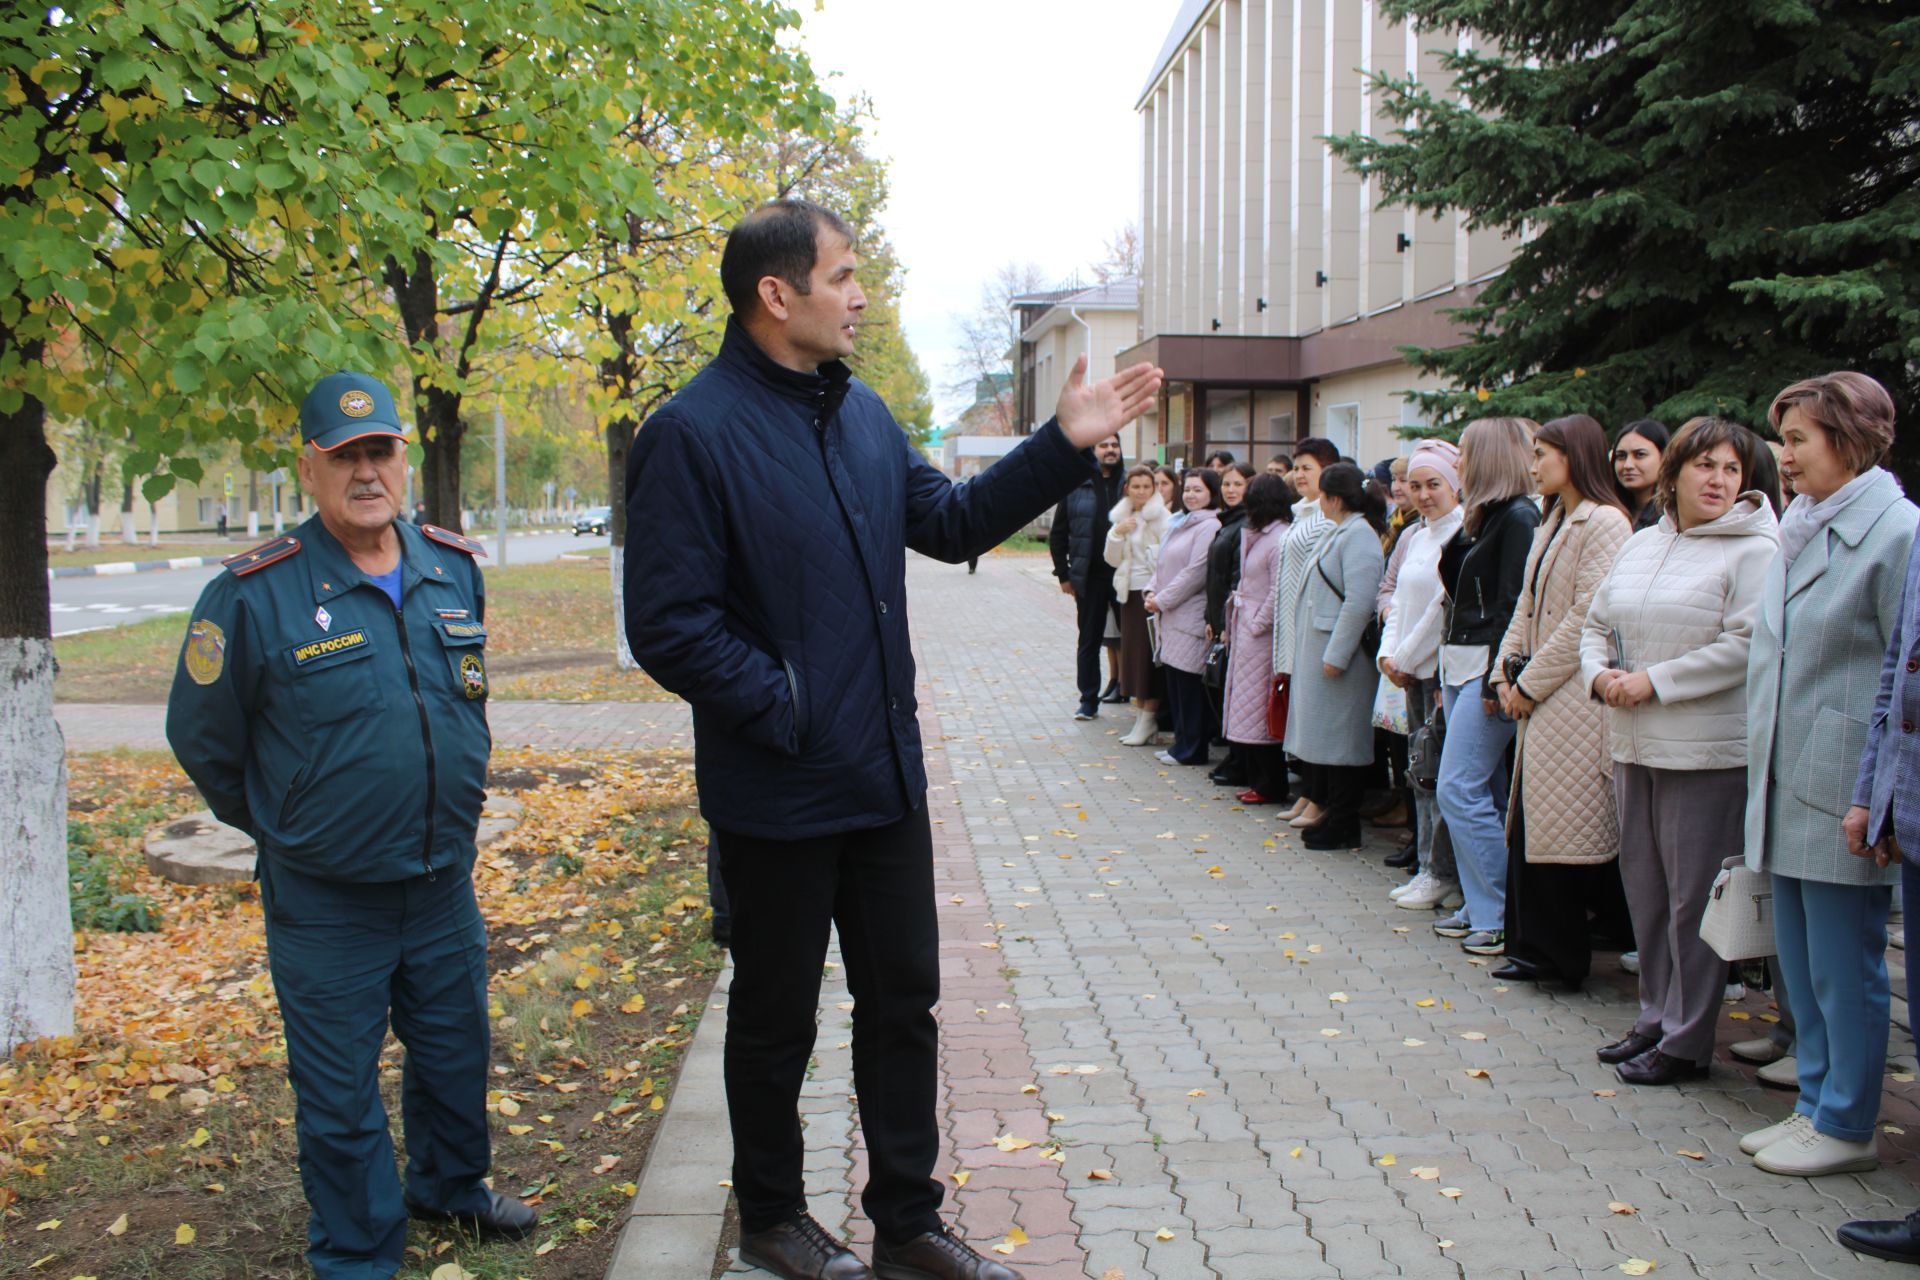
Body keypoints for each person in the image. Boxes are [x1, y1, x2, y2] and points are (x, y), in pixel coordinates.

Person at [622, 198, 1160, 1280]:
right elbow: (667, 624)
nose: (861, 295)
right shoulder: (692, 432)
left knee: (904, 1001)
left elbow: (954, 521)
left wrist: (1062, 443)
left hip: (883, 779)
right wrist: (787, 708)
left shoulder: (860, 415)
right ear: (778, 295)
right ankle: (773, 1216)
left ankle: (907, 1223)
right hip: (777, 787)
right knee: (776, 1021)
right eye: (844, 275)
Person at [166, 372, 530, 1280]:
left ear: (403, 459)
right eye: (345, 456)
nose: (366, 472)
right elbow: (203, 738)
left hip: (442, 878)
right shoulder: (254, 595)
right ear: (310, 466)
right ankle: (361, 1251)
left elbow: (462, 708)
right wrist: (286, 826)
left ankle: (450, 1187)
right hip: (326, 899)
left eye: (381, 451)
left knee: (455, 1056)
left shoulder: (453, 568)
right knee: (337, 1095)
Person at [1740, 373, 1916, 1176]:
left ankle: (1847, 1121)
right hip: (1789, 769)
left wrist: (1871, 797)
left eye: (1799, 438)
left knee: (1846, 965)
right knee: (1805, 961)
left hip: (1844, 778)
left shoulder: (1897, 532)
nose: (1784, 455)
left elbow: (1899, 677)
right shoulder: (1804, 523)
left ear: (1850, 440)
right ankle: (1815, 1103)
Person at [1580, 416, 1779, 1087]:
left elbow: (1748, 644)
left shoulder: (1755, 549)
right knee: (1648, 893)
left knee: (1695, 901)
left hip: (1705, 753)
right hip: (1632, 745)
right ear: (1675, 476)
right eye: (1705, 466)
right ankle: (1655, 1016)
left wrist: (1654, 681)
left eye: (1731, 468)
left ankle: (1689, 1040)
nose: (1719, 480)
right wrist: (1598, 673)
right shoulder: (1644, 543)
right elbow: (1596, 622)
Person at [1486, 415, 1632, 991]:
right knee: (1530, 826)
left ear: (1575, 456)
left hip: (1571, 701)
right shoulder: (1552, 518)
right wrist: (1503, 673)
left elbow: (1585, 618)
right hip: (1540, 697)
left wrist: (1528, 684)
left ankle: (1559, 956)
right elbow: (1525, 604)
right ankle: (1529, 947)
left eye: (1543, 453)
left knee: (1561, 835)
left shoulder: (1605, 522)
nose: (1534, 464)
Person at [1432, 418, 1540, 956]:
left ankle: (1497, 912)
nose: (1457, 464)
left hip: (1485, 668)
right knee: (1484, 791)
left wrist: (1501, 673)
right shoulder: (1485, 517)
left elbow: (1512, 603)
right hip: (1460, 662)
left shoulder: (1519, 516)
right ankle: (1483, 904)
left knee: (1459, 787)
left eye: (1465, 454)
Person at [1283, 461, 1388, 849]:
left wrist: (1338, 654)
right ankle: (1333, 815)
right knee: (1328, 740)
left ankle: (1345, 823)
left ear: (1334, 498)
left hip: (1340, 657)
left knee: (1343, 741)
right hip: (1323, 649)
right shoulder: (1342, 531)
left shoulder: (1358, 535)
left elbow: (1360, 601)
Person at [1379, 440, 1465, 910]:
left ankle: (1442, 871)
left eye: (1434, 484)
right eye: (1416, 485)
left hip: (1437, 672)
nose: (1425, 494)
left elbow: (1440, 608)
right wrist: (1388, 656)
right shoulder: (1415, 535)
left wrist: (1404, 658)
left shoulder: (1460, 533)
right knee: (1419, 773)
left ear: (1454, 484)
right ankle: (1428, 866)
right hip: (1408, 670)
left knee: (1438, 774)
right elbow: (1397, 601)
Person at [1272, 438, 1341, 826]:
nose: (1299, 475)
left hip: (1312, 627)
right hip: (1291, 625)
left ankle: (1320, 796)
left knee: (1315, 717)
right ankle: (1309, 792)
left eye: (1307, 468)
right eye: (1296, 467)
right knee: (1301, 714)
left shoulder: (1326, 517)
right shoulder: (1300, 513)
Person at [1145, 468, 1223, 766]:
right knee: (1175, 684)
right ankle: (1181, 744)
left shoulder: (1208, 525)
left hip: (1188, 615)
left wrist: (1161, 600)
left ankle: (1193, 749)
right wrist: (1151, 591)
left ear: (1210, 494)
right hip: (1169, 615)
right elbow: (1163, 563)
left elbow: (1195, 572)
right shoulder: (1181, 521)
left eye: (1198, 490)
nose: (1191, 495)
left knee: (1190, 687)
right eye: (1188, 489)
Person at [1224, 474, 1294, 802]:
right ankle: (1258, 779)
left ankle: (1271, 784)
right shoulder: (1262, 535)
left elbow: (1279, 590)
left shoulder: (1279, 538)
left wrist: (1256, 623)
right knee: (1247, 706)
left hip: (1260, 635)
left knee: (1259, 708)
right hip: (1247, 629)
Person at [1050, 434, 1127, 721]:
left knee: (1133, 641)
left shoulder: (1132, 485)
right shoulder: (1075, 485)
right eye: (1104, 445)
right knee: (1089, 641)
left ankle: (1138, 696)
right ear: (1093, 451)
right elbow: (1058, 534)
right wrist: (1064, 575)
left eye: (1114, 445)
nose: (1110, 450)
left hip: (1125, 577)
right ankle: (1088, 700)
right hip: (1090, 578)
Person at [1107, 464, 1172, 747]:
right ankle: (1142, 720)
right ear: (1127, 489)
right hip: (1128, 594)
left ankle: (1149, 719)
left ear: (1154, 488)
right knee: (1134, 659)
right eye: (1136, 487)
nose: (1142, 492)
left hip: (1150, 596)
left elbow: (1167, 560)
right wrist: (1116, 534)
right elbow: (1112, 559)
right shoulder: (1123, 516)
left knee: (1148, 660)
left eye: (1147, 486)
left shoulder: (1162, 518)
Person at [1204, 463, 1258, 785]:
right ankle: (1234, 755)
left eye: (1238, 484)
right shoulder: (1226, 522)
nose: (1231, 490)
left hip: (1235, 620)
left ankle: (1240, 759)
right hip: (1219, 618)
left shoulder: (1247, 525)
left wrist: (1225, 620)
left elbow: (1238, 579)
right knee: (1222, 688)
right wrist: (1210, 618)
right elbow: (1214, 577)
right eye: (1226, 484)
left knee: (1234, 692)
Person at [1612, 419, 1669, 532]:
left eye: (1640, 454)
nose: (1628, 465)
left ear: (1664, 458)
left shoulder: (1672, 516)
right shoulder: (1609, 513)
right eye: (1621, 456)